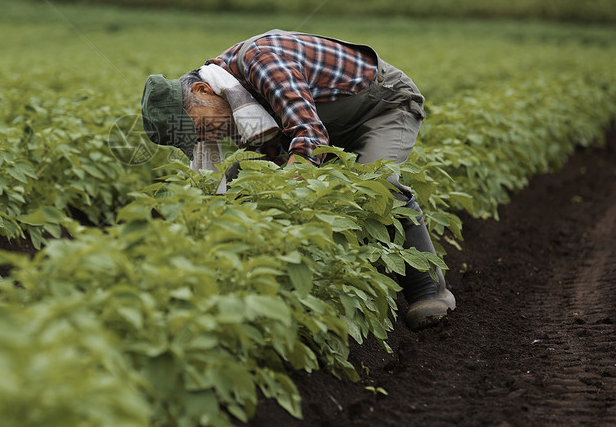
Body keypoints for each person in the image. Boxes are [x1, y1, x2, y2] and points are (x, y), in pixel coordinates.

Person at [140, 29, 455, 330]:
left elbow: (309, 139)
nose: (205, 137)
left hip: (382, 107)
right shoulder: (235, 107)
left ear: (202, 90)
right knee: (242, 178)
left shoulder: (260, 60)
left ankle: (428, 289)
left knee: (378, 182)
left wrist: (285, 201)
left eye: (198, 126)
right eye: (195, 137)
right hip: (327, 125)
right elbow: (278, 156)